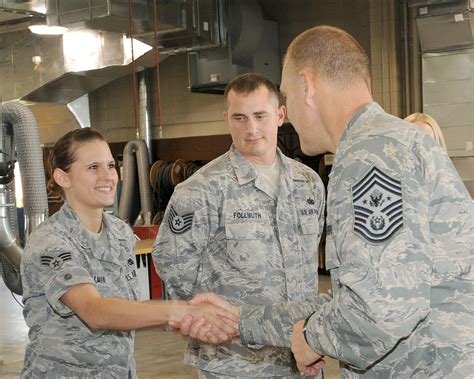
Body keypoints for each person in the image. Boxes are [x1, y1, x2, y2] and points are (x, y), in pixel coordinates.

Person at [196, 26, 471, 378]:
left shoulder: (369, 156)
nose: (288, 114)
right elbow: (357, 297)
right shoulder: (393, 142)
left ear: (307, 85)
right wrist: (242, 320)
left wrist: (311, 338)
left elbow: (383, 310)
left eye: (287, 96)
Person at [20, 128, 237, 378]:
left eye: (111, 166)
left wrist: (191, 319)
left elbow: (127, 309)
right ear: (63, 177)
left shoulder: (120, 233)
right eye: (93, 167)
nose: (108, 176)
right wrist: (182, 310)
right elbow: (94, 311)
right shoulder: (51, 242)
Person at [152, 73, 326, 378]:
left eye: (260, 115)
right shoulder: (201, 189)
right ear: (226, 119)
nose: (251, 128)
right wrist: (205, 321)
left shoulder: (308, 184)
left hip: (302, 353)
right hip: (236, 361)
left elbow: (311, 259)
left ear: (280, 115)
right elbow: (173, 263)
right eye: (240, 118)